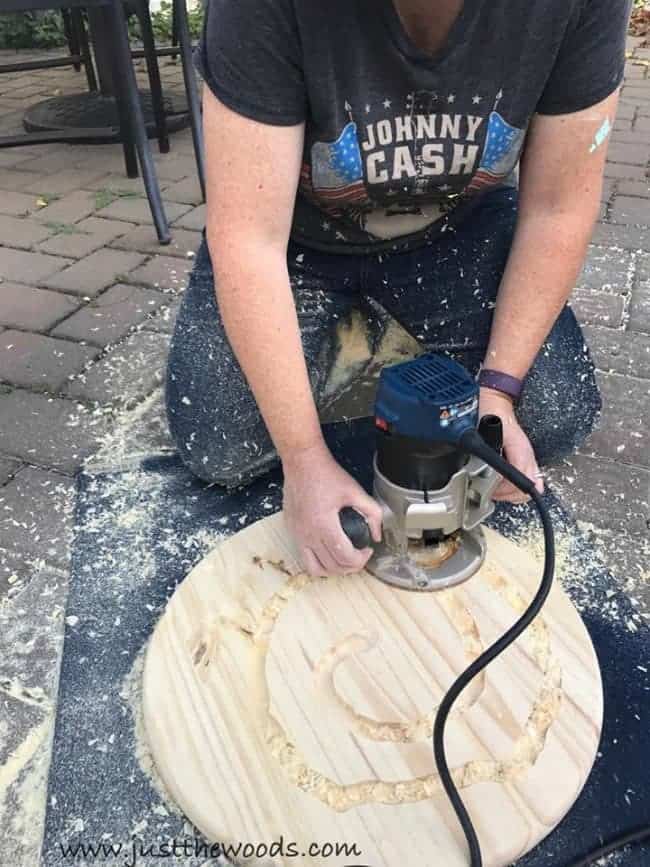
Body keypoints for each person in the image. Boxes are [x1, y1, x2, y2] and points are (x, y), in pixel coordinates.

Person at [167, 0, 632, 578]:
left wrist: (497, 396)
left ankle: (358, 349)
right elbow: (247, 237)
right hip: (294, 242)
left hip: (455, 232)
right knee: (223, 446)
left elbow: (557, 209)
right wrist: (304, 459)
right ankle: (353, 346)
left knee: (552, 415)